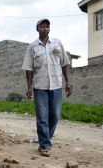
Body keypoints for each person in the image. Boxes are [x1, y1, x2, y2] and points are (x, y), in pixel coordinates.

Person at [21, 19, 72, 157]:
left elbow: (65, 63)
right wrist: (29, 86)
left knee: (55, 115)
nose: (45, 28)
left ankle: (46, 138)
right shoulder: (32, 47)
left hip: (56, 85)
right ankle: (44, 145)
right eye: (42, 26)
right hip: (39, 86)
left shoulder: (57, 43)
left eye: (47, 26)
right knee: (42, 117)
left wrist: (67, 82)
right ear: (37, 29)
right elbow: (29, 68)